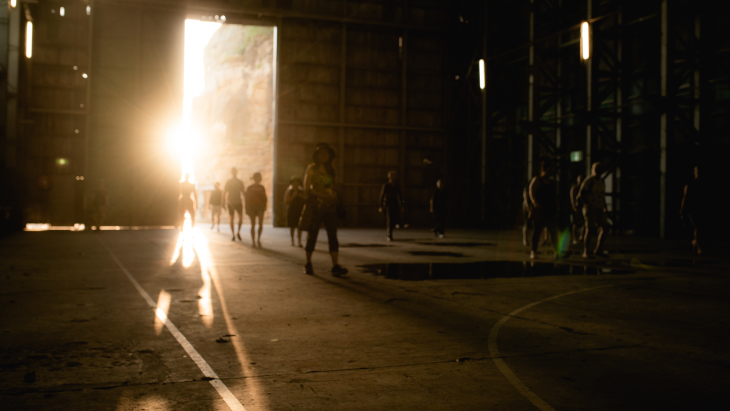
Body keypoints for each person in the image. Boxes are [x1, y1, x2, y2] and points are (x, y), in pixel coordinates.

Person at [302, 143, 347, 276]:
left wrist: (334, 196)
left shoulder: (331, 170)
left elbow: (333, 186)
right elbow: (307, 189)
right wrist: (322, 196)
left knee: (333, 236)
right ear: (316, 155)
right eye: (321, 153)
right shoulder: (311, 169)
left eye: (326, 153)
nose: (323, 156)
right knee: (312, 235)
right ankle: (308, 263)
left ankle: (335, 265)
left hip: (330, 208)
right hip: (316, 207)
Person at [529, 160, 559, 259]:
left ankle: (556, 252)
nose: (551, 172)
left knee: (553, 231)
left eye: (552, 170)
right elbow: (531, 192)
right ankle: (533, 251)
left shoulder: (552, 182)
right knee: (537, 231)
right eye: (549, 170)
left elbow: (554, 196)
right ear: (544, 170)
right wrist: (535, 203)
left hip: (550, 209)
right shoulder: (537, 180)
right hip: (539, 208)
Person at [577, 162, 608, 258]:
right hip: (591, 207)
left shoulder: (601, 181)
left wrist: (604, 207)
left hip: (599, 207)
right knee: (589, 229)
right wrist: (587, 204)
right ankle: (586, 251)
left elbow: (602, 196)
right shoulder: (589, 181)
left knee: (605, 228)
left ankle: (598, 249)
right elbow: (581, 194)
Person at [679, 166, 704, 254]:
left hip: (696, 208)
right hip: (693, 209)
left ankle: (695, 242)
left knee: (698, 227)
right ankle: (699, 248)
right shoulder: (692, 184)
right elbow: (685, 198)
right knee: (697, 227)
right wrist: (682, 209)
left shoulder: (698, 183)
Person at [379, 171, 404, 241]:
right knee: (389, 220)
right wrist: (380, 206)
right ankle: (389, 234)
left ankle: (390, 232)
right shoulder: (386, 186)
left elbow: (401, 197)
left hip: (395, 205)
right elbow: (382, 196)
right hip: (388, 205)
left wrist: (402, 205)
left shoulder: (397, 186)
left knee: (394, 219)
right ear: (389, 177)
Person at [245, 172, 267, 248]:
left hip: (260, 207)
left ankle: (258, 239)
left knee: (260, 224)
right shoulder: (250, 188)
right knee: (253, 225)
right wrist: (247, 208)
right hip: (252, 207)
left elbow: (265, 198)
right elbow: (247, 199)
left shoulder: (262, 187)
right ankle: (253, 241)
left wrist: (264, 206)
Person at [224, 167, 245, 241]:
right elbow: (225, 193)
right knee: (231, 219)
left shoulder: (240, 182)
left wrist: (247, 202)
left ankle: (238, 232)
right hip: (231, 203)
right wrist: (224, 202)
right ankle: (233, 234)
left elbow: (243, 192)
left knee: (240, 219)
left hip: (238, 202)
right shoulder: (229, 182)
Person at [284, 176, 305, 247]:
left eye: (297, 182)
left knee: (299, 226)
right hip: (291, 210)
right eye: (294, 182)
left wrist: (301, 196)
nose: (295, 184)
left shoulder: (301, 191)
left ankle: (299, 241)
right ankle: (292, 240)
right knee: (292, 226)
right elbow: (286, 202)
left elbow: (305, 200)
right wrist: (293, 196)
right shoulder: (289, 191)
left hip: (299, 210)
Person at [570, 174, 585, 244]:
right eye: (580, 179)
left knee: (584, 223)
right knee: (575, 223)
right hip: (576, 208)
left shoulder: (584, 188)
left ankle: (581, 237)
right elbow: (572, 198)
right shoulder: (574, 188)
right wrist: (574, 207)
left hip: (583, 207)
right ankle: (575, 238)